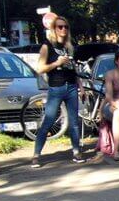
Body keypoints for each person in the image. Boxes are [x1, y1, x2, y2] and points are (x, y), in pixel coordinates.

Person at [31, 16, 84, 168]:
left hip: (71, 87)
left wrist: (80, 86)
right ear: (54, 29)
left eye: (66, 27)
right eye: (60, 27)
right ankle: (36, 155)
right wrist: (57, 63)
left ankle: (76, 152)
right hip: (56, 87)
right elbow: (40, 69)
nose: (63, 30)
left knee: (74, 122)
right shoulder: (47, 46)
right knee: (48, 120)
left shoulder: (70, 46)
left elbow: (73, 70)